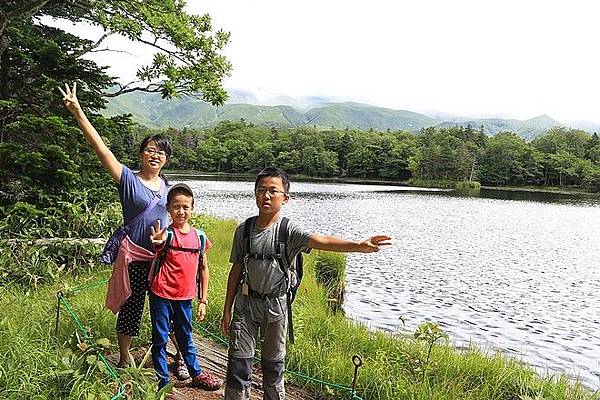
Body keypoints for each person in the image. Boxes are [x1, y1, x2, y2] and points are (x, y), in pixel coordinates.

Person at [220, 167, 391, 400]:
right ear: (255, 193)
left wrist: (358, 246)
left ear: (285, 198)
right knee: (239, 365)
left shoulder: (289, 231)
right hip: (246, 303)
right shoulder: (244, 230)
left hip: (276, 306)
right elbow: (236, 269)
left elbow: (321, 240)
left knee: (273, 366)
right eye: (261, 190)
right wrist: (226, 310)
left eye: (273, 191)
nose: (266, 196)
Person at [59, 82, 187, 375]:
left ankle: (178, 359)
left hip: (162, 258)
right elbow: (101, 149)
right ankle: (125, 355)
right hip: (135, 256)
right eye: (150, 150)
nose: (155, 156)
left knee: (170, 309)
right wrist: (78, 112)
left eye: (161, 153)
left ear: (166, 159)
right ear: (142, 154)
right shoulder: (128, 179)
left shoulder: (169, 189)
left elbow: (180, 219)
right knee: (132, 307)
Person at [148, 183, 223, 392]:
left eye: (185, 207)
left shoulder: (199, 236)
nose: (181, 211)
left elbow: (204, 269)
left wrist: (203, 300)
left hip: (185, 297)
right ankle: (163, 383)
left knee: (186, 336)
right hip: (161, 294)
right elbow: (158, 244)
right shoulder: (167, 234)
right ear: (169, 208)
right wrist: (156, 242)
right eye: (176, 207)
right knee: (160, 339)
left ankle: (196, 374)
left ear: (192, 208)